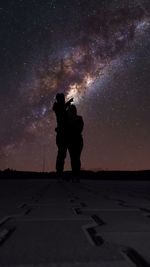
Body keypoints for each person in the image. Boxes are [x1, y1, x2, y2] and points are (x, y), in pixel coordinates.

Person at [53, 93, 73, 174]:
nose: (64, 100)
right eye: (62, 99)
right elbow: (61, 110)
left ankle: (60, 174)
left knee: (63, 155)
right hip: (62, 135)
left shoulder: (60, 107)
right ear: (59, 99)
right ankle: (59, 174)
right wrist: (68, 103)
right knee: (61, 154)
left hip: (65, 134)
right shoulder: (57, 107)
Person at [66, 104, 84, 180]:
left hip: (77, 141)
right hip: (72, 141)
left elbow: (79, 129)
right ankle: (75, 175)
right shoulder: (69, 119)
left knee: (76, 158)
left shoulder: (78, 118)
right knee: (74, 159)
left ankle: (76, 175)